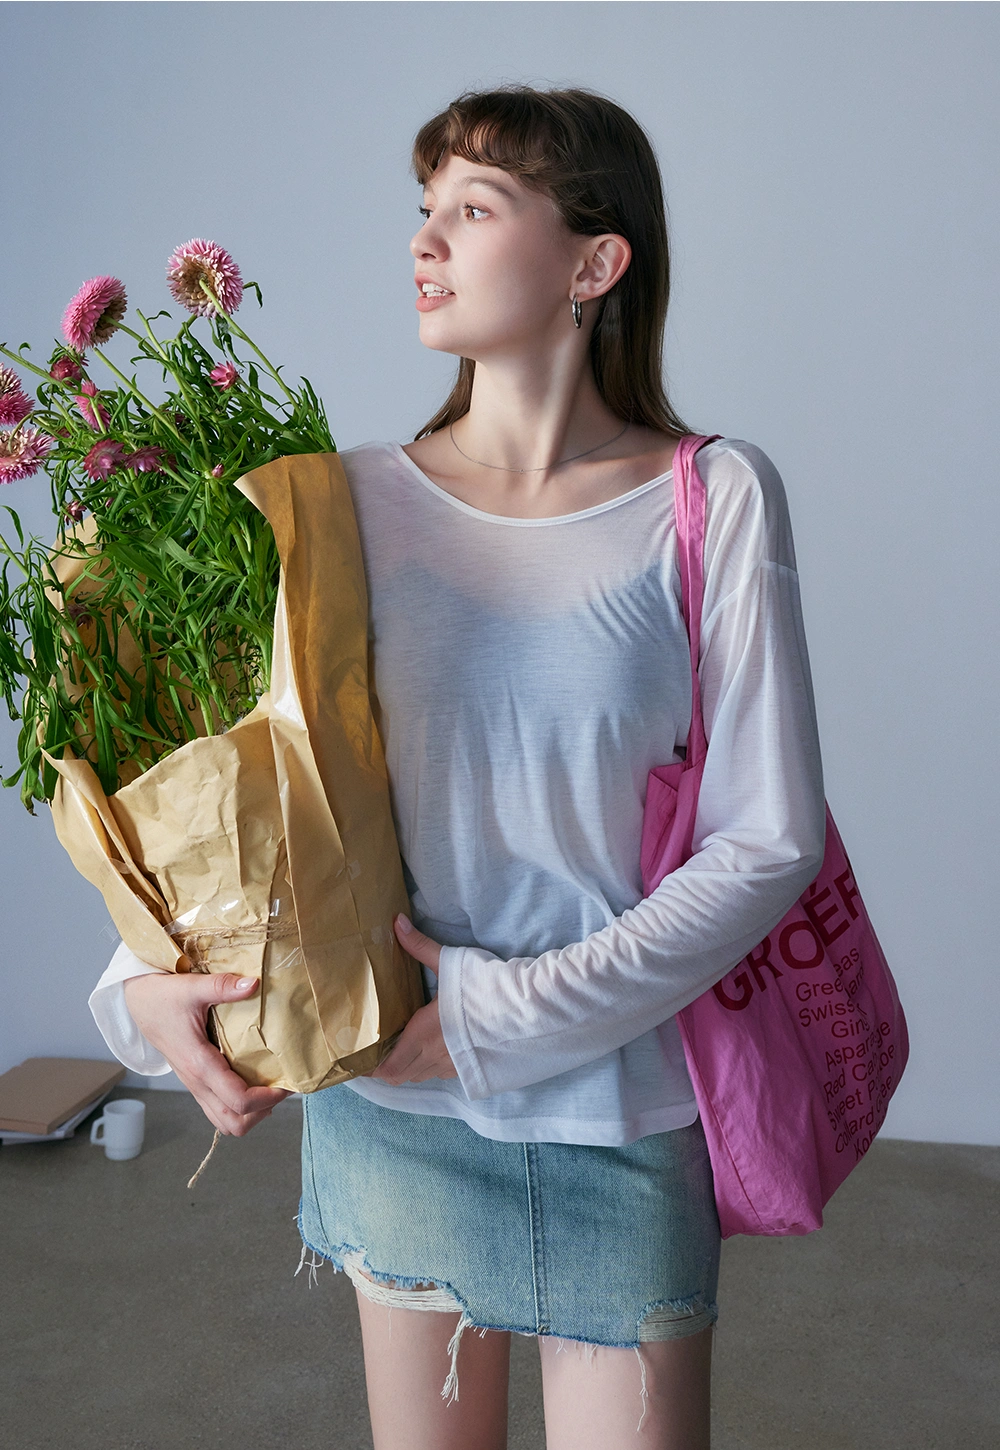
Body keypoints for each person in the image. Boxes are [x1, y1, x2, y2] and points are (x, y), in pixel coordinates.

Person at [90, 85, 825, 1450]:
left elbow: (767, 839)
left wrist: (497, 1015)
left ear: (595, 265)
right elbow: (243, 798)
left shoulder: (713, 498)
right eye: (422, 211)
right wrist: (142, 986)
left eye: (473, 210)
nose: (426, 241)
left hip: (619, 1111)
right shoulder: (342, 500)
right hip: (397, 1106)